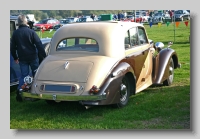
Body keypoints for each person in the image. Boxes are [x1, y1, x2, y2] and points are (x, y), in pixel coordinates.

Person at [10, 15, 47, 102]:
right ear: (26, 22)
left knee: (24, 75)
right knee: (36, 74)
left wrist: (15, 57)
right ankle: (36, 92)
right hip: (33, 56)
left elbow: (12, 48)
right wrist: (44, 56)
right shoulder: (31, 32)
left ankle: (20, 92)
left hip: (22, 58)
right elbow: (39, 45)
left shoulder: (15, 33)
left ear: (18, 23)